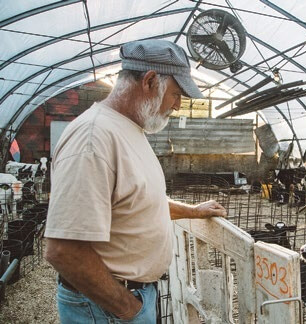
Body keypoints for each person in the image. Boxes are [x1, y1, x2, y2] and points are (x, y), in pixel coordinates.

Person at [44, 39, 227, 323]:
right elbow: (63, 250)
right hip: (106, 306)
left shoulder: (129, 129)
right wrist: (128, 308)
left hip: (126, 299)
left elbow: (136, 201)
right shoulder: (94, 138)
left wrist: (193, 212)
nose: (178, 105)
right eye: (176, 94)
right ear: (150, 81)